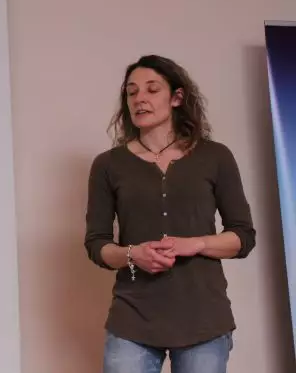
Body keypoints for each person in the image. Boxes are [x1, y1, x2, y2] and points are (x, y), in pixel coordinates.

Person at [84, 55, 255, 373]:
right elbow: (97, 244)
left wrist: (197, 244)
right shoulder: (108, 165)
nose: (140, 99)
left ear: (176, 98)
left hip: (204, 318)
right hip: (132, 317)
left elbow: (243, 237)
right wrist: (133, 254)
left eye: (152, 89)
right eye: (132, 92)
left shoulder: (215, 156)